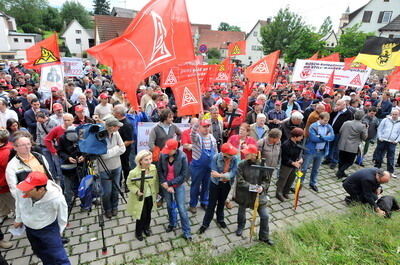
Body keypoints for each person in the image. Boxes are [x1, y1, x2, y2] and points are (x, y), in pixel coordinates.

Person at [13, 171, 70, 264]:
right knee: (40, 252)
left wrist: (57, 233)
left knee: (59, 257)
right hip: (30, 229)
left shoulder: (56, 198)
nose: (24, 190)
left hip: (48, 229)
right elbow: (18, 203)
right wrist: (18, 219)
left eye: (29, 189)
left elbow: (62, 217)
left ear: (41, 189)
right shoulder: (21, 188)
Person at [234, 144, 274, 245]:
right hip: (244, 195)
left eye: (247, 153)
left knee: (265, 216)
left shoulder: (262, 164)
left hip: (258, 196)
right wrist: (253, 188)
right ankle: (240, 226)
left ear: (254, 155)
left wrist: (262, 188)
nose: (244, 154)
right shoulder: (241, 165)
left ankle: (264, 237)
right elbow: (240, 181)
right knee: (241, 212)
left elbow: (267, 180)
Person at [199, 143, 238, 234]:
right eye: (230, 154)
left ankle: (220, 219)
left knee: (221, 203)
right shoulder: (216, 157)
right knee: (211, 204)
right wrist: (225, 176)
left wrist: (221, 175)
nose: (232, 156)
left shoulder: (234, 159)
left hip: (226, 184)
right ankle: (205, 224)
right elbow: (213, 173)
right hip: (215, 184)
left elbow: (233, 173)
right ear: (223, 153)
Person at [158, 139, 192, 241]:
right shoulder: (163, 156)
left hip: (178, 185)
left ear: (175, 149)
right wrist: (165, 184)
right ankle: (172, 223)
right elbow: (159, 171)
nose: (166, 152)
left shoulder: (182, 157)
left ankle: (187, 232)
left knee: (181, 208)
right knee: (169, 205)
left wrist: (170, 184)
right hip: (165, 185)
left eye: (169, 150)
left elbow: (184, 175)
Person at [126, 150, 158, 241]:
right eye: (146, 160)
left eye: (150, 159)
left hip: (150, 196)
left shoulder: (153, 168)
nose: (149, 162)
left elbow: (155, 180)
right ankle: (138, 232)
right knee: (141, 215)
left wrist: (157, 192)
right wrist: (137, 191)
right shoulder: (134, 172)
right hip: (140, 198)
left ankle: (146, 228)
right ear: (140, 161)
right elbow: (129, 184)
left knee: (148, 213)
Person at [98, 117, 126, 218]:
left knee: (116, 189)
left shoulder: (116, 133)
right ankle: (107, 209)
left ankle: (115, 207)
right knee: (106, 192)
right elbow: (103, 156)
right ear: (111, 127)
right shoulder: (100, 136)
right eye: (116, 126)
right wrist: (116, 149)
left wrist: (110, 151)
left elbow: (123, 148)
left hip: (117, 166)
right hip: (104, 168)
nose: (118, 128)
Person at [189, 118, 217, 214]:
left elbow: (216, 152)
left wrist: (216, 164)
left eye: (207, 126)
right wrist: (197, 122)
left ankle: (204, 202)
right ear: (199, 128)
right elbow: (192, 134)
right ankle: (193, 204)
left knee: (207, 185)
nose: (206, 128)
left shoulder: (212, 138)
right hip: (197, 166)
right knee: (195, 186)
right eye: (204, 126)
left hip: (209, 166)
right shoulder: (197, 137)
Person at [302, 112, 334, 192]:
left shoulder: (329, 127)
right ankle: (300, 183)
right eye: (325, 120)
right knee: (304, 168)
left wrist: (321, 136)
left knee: (316, 169)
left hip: (321, 151)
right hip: (311, 151)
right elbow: (313, 139)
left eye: (327, 120)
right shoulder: (313, 126)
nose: (326, 122)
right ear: (320, 119)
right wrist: (326, 137)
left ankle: (313, 183)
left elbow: (332, 137)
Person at [336, 110, 368, 179]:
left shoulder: (346, 123)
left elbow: (340, 131)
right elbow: (364, 137)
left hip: (343, 144)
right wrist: (366, 129)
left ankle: (341, 172)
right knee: (349, 162)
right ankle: (340, 172)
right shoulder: (362, 126)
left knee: (341, 159)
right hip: (352, 147)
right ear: (362, 117)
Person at [276, 128, 304, 202]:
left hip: (295, 165)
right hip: (286, 165)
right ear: (295, 137)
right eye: (300, 136)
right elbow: (284, 158)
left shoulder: (298, 142)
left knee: (291, 179)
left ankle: (286, 192)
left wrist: (301, 159)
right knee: (283, 179)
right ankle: (279, 193)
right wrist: (293, 163)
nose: (302, 138)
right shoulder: (286, 144)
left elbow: (300, 152)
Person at [324, 99, 353, 169]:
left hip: (339, 133)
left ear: (344, 105)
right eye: (336, 104)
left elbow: (349, 125)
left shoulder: (349, 113)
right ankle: (328, 158)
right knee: (329, 145)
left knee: (336, 148)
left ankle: (334, 161)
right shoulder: (336, 111)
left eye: (338, 105)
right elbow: (330, 118)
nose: (336, 106)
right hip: (331, 131)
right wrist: (333, 112)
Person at [373, 109, 400, 178]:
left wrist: (396, 140)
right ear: (391, 114)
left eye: (396, 114)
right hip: (383, 140)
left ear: (398, 114)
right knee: (379, 154)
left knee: (391, 157)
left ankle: (390, 171)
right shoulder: (385, 120)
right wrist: (380, 137)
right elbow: (380, 128)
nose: (394, 116)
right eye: (393, 114)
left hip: (392, 142)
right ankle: (377, 168)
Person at [113, 105, 134, 189]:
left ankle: (127, 183)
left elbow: (130, 140)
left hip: (124, 151)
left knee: (125, 167)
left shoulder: (127, 125)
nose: (112, 112)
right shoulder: (117, 121)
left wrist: (118, 148)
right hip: (118, 150)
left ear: (118, 114)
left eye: (114, 111)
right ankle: (118, 182)